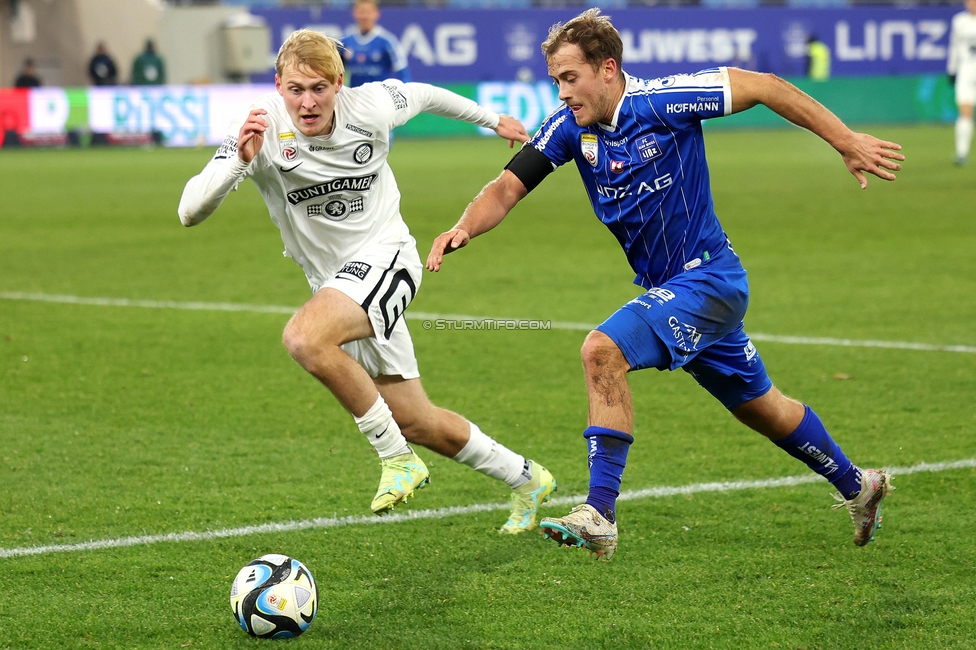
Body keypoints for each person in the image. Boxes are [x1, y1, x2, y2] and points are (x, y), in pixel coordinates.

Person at [427, 9, 903, 560]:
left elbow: (766, 86)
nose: (560, 93)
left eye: (569, 78)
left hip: (708, 277)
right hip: (680, 291)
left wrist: (844, 139)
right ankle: (859, 485)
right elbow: (506, 187)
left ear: (608, 69)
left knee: (602, 350)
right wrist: (465, 225)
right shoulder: (568, 129)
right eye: (555, 80)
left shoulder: (663, 100)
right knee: (761, 407)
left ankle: (599, 512)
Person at [178, 29, 556, 534]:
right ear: (278, 84)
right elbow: (188, 212)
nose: (307, 103)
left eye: (318, 88)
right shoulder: (261, 128)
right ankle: (527, 478)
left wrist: (493, 120)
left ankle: (396, 460)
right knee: (416, 419)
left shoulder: (371, 106)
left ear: (339, 84)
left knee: (304, 338)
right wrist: (241, 163)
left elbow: (423, 94)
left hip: (389, 258)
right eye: (295, 89)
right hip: (336, 285)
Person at [340, 0, 409, 88]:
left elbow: (402, 71)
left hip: (380, 98)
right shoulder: (346, 40)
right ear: (354, 13)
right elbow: (334, 71)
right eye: (361, 12)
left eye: (368, 12)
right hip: (355, 97)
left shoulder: (387, 40)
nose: (365, 16)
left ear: (377, 14)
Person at [947, 0, 976, 165]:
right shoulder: (959, 21)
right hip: (966, 71)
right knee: (965, 111)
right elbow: (954, 46)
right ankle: (962, 153)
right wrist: (952, 70)